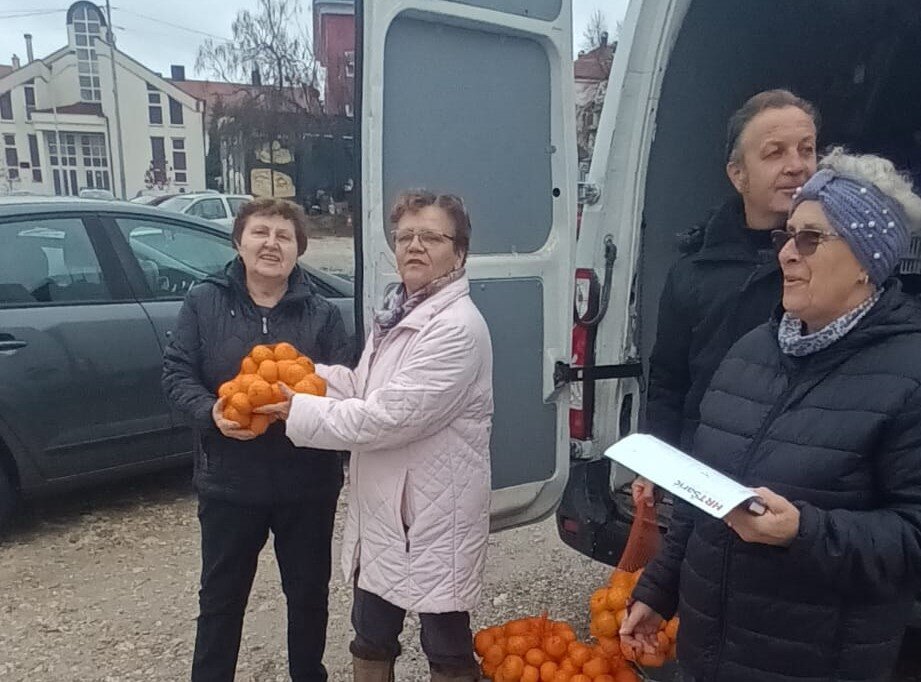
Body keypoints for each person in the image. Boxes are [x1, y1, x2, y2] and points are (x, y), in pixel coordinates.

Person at [622, 149, 921, 682]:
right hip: (707, 658)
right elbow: (703, 491)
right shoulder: (752, 351)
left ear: (866, 262)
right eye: (786, 236)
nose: (785, 254)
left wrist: (804, 532)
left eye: (811, 239)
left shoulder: (909, 373)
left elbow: (912, 539)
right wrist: (659, 590)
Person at [258, 190, 493, 682]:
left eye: (430, 236)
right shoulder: (399, 313)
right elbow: (367, 387)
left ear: (461, 251)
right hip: (388, 508)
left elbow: (386, 417)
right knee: (370, 635)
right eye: (405, 236)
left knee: (445, 644)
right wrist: (309, 378)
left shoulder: (456, 328)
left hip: (431, 514)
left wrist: (298, 409)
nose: (414, 246)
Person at [161, 197, 351, 682]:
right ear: (239, 241)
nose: (272, 243)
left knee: (308, 596)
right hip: (230, 482)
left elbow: (344, 386)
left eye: (284, 236)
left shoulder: (322, 315)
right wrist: (211, 412)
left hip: (307, 484)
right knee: (221, 600)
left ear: (298, 250)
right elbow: (177, 372)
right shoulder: (204, 302)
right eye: (260, 232)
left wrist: (308, 410)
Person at [634, 89, 819, 505]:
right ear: (738, 175)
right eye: (775, 153)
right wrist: (658, 467)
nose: (796, 166)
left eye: (806, 150)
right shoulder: (694, 271)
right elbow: (668, 382)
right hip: (708, 481)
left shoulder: (839, 262)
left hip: (802, 493)